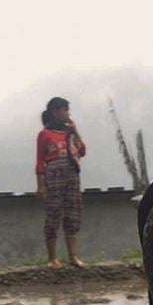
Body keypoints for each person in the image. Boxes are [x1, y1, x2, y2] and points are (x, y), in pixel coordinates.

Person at [35, 96, 87, 269]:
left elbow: (82, 151)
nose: (67, 113)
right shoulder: (45, 134)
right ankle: (52, 258)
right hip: (54, 176)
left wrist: (75, 131)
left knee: (73, 212)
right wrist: (41, 186)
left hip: (72, 175)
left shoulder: (69, 133)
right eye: (64, 110)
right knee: (54, 214)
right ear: (55, 112)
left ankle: (73, 256)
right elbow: (40, 162)